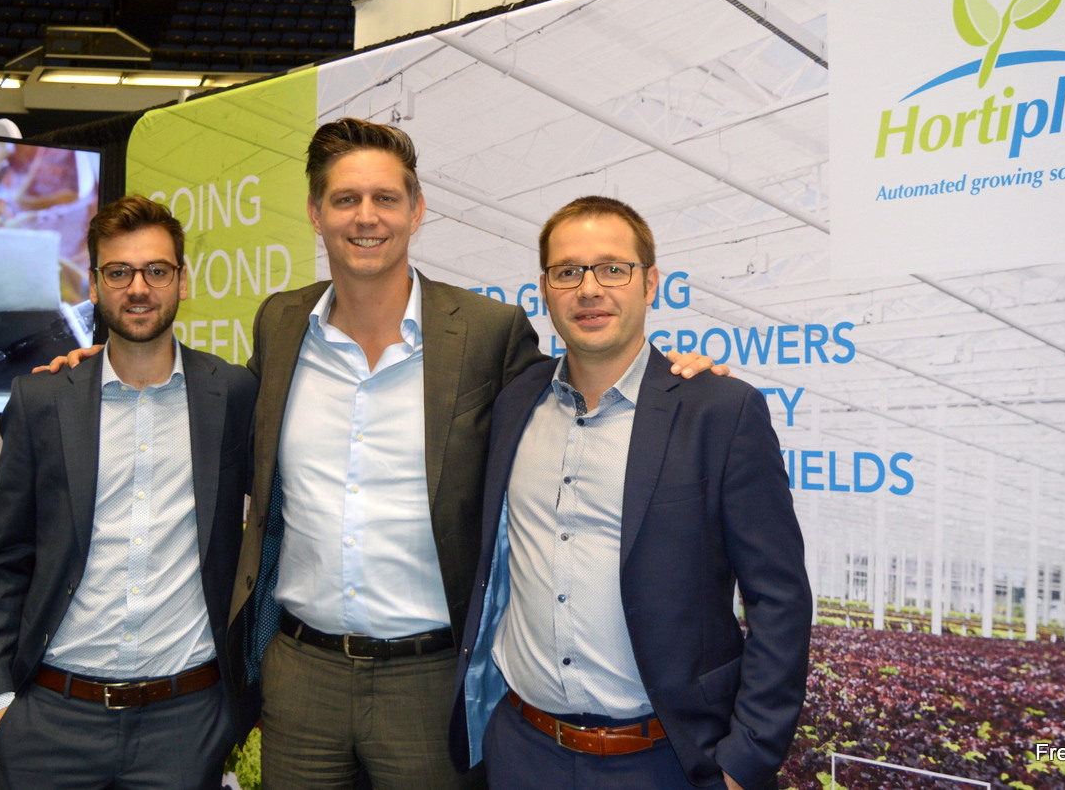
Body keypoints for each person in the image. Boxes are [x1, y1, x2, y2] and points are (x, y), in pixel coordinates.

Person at [227, 119, 724, 789]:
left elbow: (577, 392)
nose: (366, 217)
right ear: (316, 213)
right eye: (345, 199)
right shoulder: (281, 323)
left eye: (385, 198)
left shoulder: (488, 332)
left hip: (430, 680)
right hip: (300, 672)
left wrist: (671, 380)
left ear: (417, 210)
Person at [449, 196, 813, 789]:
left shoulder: (719, 412)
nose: (589, 289)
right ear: (544, 289)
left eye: (613, 269)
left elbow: (780, 599)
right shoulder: (515, 402)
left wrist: (745, 761)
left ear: (650, 284)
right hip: (522, 751)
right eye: (568, 271)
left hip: (667, 761)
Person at [0, 195, 258, 790]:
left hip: (186, 728)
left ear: (182, 281)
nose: (138, 288)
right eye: (119, 272)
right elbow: (0, 563)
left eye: (156, 270)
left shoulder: (232, 394)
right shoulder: (43, 401)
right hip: (51, 725)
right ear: (95, 286)